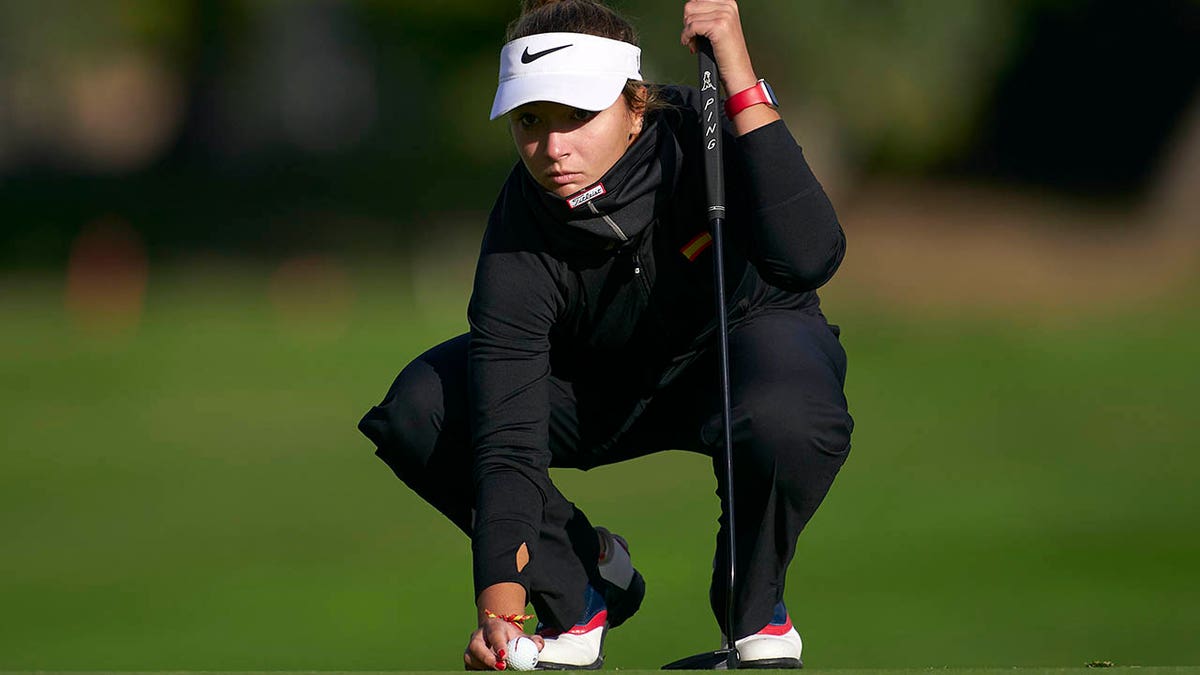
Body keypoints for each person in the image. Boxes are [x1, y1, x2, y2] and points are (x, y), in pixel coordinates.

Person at [358, 0, 853, 669]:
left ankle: (753, 611)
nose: (553, 147)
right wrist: (500, 609)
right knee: (421, 409)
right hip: (599, 387)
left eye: (578, 116)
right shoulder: (518, 235)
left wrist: (736, 71)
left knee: (788, 417)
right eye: (531, 120)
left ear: (635, 105)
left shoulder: (700, 134)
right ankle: (581, 588)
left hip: (744, 352)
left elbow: (809, 255)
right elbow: (507, 440)